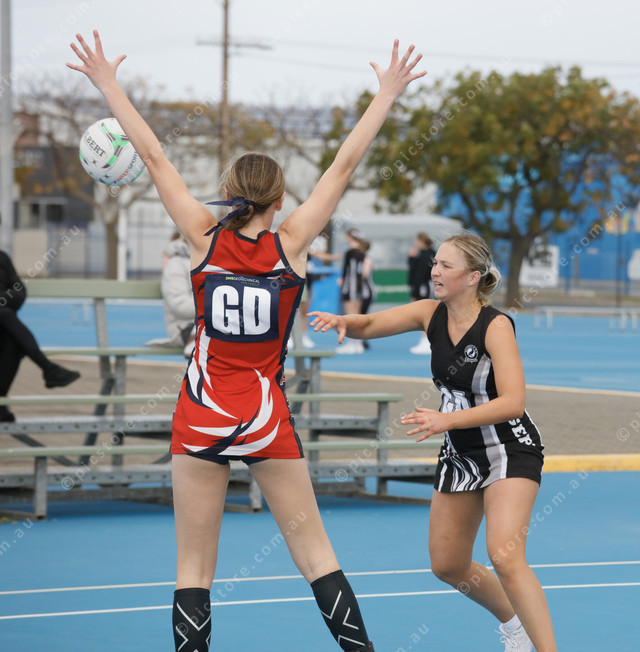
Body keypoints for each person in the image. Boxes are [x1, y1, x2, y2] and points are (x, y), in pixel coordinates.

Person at [67, 30, 425, 651]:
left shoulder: (202, 238)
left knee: (193, 569)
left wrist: (108, 85)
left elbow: (153, 156)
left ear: (228, 193)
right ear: (280, 200)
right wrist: (386, 94)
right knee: (317, 556)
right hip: (264, 414)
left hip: (202, 411)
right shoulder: (292, 243)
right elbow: (343, 166)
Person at [309, 233, 557, 652]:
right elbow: (371, 324)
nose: (435, 271)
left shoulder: (495, 326)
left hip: (508, 447)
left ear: (473, 277)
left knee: (504, 555)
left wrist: (447, 419)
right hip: (461, 452)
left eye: (446, 266)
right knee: (447, 564)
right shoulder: (430, 313)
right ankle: (515, 624)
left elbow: (514, 402)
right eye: (435, 263)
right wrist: (344, 322)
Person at [0, 250, 81, 421]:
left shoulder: (2, 258)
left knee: (14, 341)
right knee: (7, 317)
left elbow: (19, 292)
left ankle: (1, 402)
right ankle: (48, 368)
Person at [146, 232, 195, 357]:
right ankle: (195, 338)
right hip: (184, 328)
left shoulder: (211, 261)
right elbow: (179, 305)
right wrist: (212, 306)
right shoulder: (176, 264)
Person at [336, 229, 374, 354]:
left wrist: (343, 280)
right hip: (359, 287)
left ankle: (351, 343)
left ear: (349, 237)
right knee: (357, 316)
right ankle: (358, 343)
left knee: (349, 316)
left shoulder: (350, 252)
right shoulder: (362, 252)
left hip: (350, 286)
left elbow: (346, 270)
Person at [407, 231, 435, 355]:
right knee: (422, 313)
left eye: (417, 241)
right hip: (422, 286)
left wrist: (415, 292)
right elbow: (414, 269)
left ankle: (426, 340)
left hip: (423, 287)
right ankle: (425, 340)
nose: (416, 243)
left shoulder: (427, 255)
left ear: (422, 241)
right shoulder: (424, 254)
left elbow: (421, 274)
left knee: (423, 313)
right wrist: (411, 258)